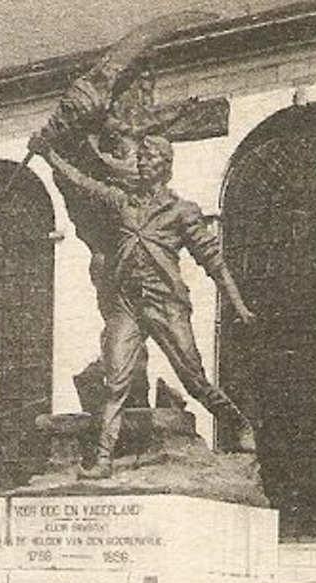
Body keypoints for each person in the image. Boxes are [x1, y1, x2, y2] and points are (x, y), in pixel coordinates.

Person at [30, 129, 258, 478]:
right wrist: (49, 155)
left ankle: (238, 423)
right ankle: (103, 460)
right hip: (128, 306)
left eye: (147, 159)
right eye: (140, 159)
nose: (140, 163)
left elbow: (214, 262)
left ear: (164, 167)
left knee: (193, 378)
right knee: (116, 381)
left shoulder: (181, 212)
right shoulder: (122, 202)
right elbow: (81, 184)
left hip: (165, 304)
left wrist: (238, 306)